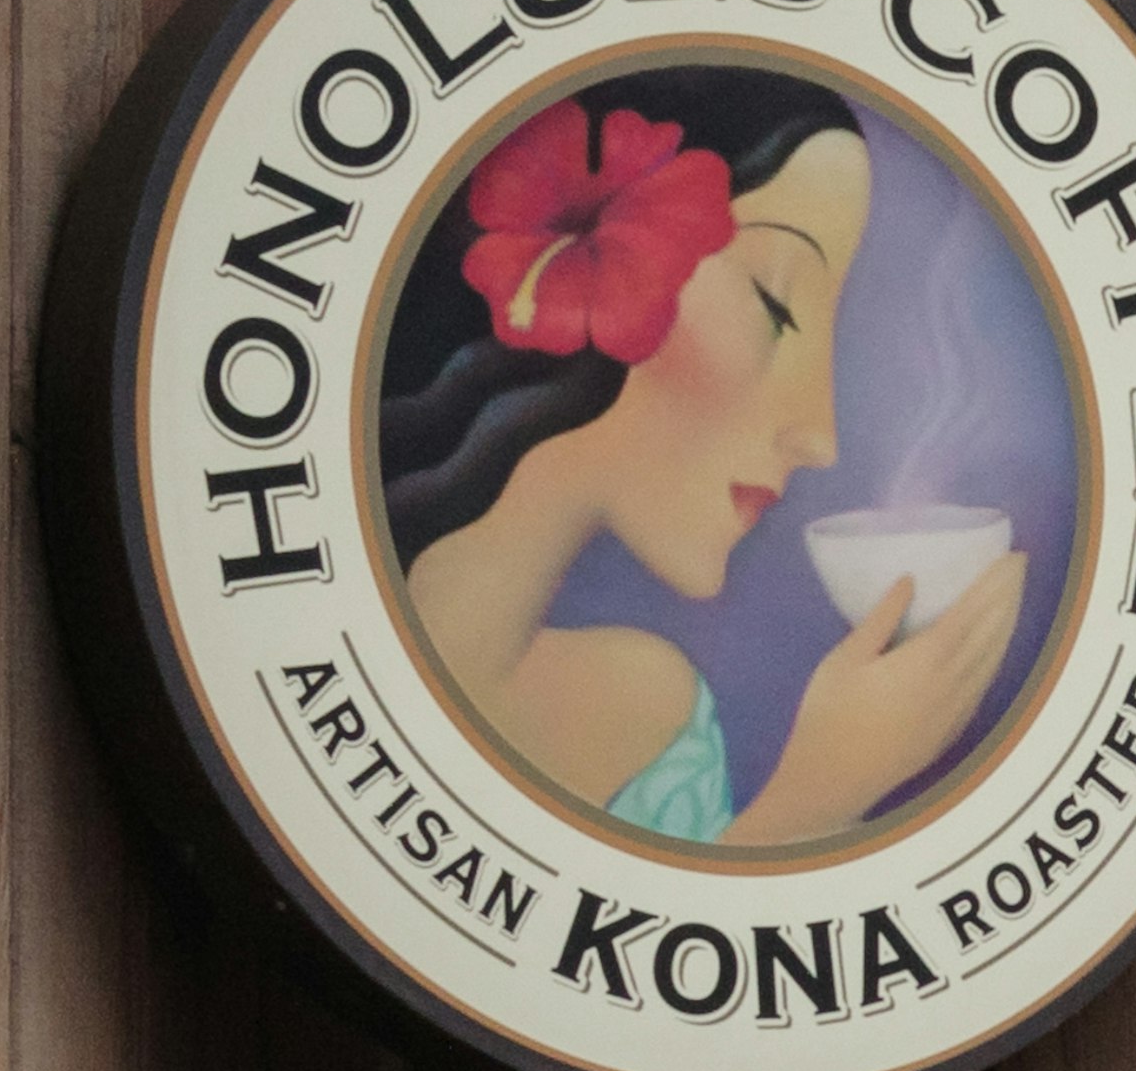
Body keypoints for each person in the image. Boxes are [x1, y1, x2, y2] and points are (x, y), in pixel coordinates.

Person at [378, 70, 1023, 847]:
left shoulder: (655, 716)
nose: (820, 437)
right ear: (574, 259)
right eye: (777, 303)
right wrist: (813, 802)